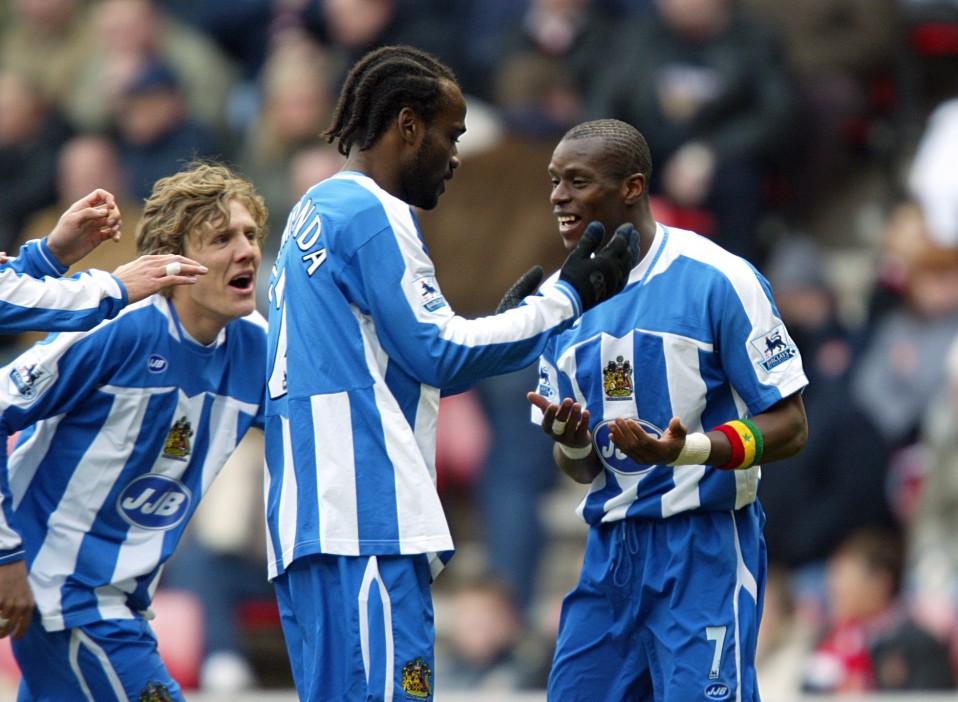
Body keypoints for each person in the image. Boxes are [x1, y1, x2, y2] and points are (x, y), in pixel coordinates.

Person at [263, 45, 639, 702]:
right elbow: (440, 352)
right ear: (407, 126)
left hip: (313, 523)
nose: (457, 155)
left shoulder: (314, 212)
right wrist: (565, 298)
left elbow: (411, 364)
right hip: (366, 522)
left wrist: (512, 322)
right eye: (451, 134)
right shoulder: (373, 214)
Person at [526, 118, 809, 700]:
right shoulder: (559, 302)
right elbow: (578, 466)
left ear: (632, 187)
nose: (559, 196)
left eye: (577, 181)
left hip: (703, 547)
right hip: (609, 556)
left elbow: (791, 424)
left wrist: (690, 450)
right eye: (555, 181)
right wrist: (574, 440)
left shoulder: (720, 278)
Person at [0, 161, 269, 702]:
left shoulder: (257, 346)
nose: (246, 251)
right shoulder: (115, 333)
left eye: (250, 235)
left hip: (122, 601)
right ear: (172, 262)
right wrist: (5, 557)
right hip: (66, 598)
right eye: (221, 239)